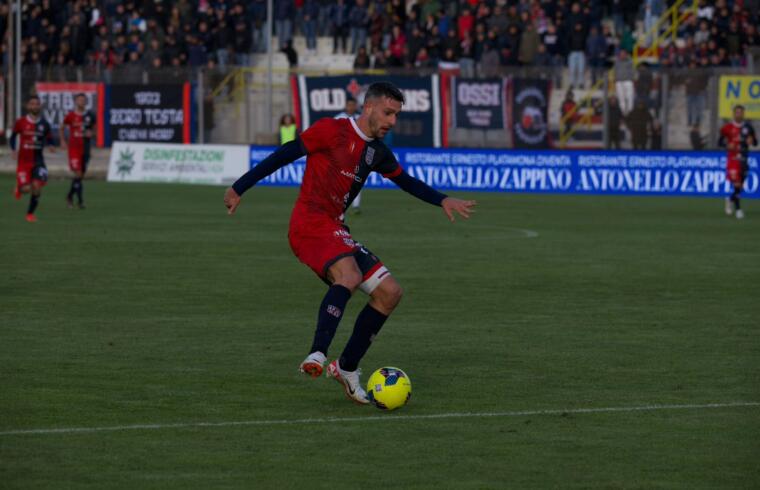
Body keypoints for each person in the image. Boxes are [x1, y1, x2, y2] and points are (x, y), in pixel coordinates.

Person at [223, 82, 476, 404]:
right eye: (388, 113)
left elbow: (405, 181)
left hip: (335, 229)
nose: (392, 121)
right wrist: (239, 187)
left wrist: (442, 200)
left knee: (390, 293)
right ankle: (317, 353)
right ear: (368, 108)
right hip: (308, 225)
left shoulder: (378, 152)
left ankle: (346, 367)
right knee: (350, 276)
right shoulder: (331, 130)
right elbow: (285, 154)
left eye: (397, 115)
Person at [10, 95, 54, 223]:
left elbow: (49, 137)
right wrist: (13, 150)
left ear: (40, 106)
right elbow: (13, 137)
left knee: (36, 186)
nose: (35, 106)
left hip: (38, 161)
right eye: (32, 104)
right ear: (28, 106)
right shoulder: (21, 122)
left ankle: (30, 214)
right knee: (27, 189)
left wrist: (51, 145)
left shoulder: (44, 124)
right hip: (23, 162)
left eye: (37, 104)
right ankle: (19, 188)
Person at [719, 105, 757, 219]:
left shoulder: (748, 127)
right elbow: (720, 142)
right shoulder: (727, 128)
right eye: (737, 112)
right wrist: (727, 145)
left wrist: (752, 140)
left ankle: (730, 199)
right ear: (734, 114)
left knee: (740, 187)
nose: (739, 114)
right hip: (733, 159)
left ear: (743, 114)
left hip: (744, 159)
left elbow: (755, 143)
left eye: (741, 112)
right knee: (737, 184)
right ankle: (739, 210)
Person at [60, 93, 96, 209]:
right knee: (78, 173)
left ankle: (70, 196)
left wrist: (92, 134)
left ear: (86, 102)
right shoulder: (70, 115)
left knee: (80, 176)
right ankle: (80, 201)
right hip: (74, 148)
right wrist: (63, 141)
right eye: (79, 100)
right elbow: (62, 127)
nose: (81, 102)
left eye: (83, 100)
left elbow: (95, 130)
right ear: (76, 101)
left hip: (85, 148)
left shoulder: (90, 115)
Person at [334, 98, 363, 214]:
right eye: (349, 105)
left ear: (356, 106)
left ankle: (356, 205)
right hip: (341, 153)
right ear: (346, 105)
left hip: (356, 153)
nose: (351, 107)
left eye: (353, 105)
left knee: (356, 178)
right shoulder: (338, 117)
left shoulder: (361, 119)